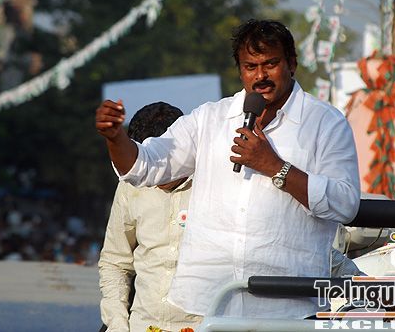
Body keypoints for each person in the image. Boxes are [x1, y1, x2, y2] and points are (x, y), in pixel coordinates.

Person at [95, 19, 361, 319]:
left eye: (271, 64)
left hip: (288, 305)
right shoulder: (211, 118)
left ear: (292, 64)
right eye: (250, 66)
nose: (260, 75)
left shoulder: (325, 123)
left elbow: (345, 204)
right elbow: (145, 165)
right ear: (240, 70)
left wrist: (275, 167)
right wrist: (115, 138)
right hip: (212, 304)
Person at [99, 102, 202, 332]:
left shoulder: (215, 184)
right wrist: (117, 324)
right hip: (143, 324)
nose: (154, 175)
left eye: (162, 164)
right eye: (146, 165)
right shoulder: (130, 186)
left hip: (204, 326)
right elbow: (115, 261)